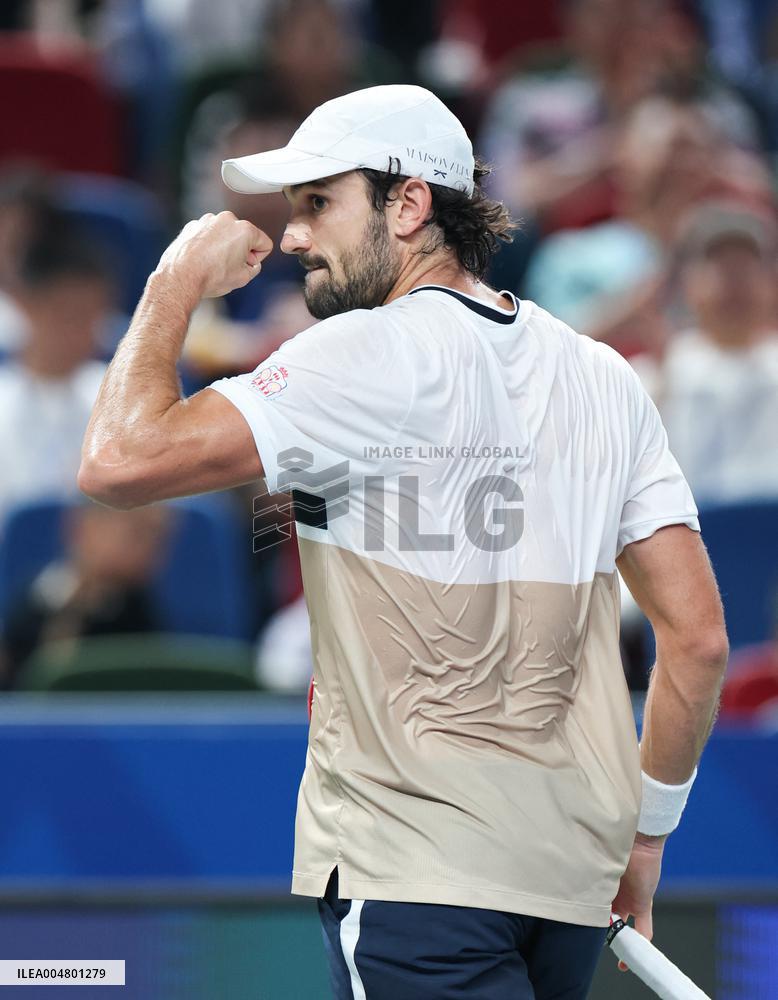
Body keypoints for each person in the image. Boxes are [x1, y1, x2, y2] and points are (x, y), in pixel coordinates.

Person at [79, 85, 729, 999]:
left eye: (318, 203)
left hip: (416, 878)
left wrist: (173, 279)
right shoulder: (603, 377)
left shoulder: (356, 353)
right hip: (570, 885)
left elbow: (115, 461)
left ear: (410, 204)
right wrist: (648, 838)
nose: (294, 236)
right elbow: (697, 643)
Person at [633, 199, 778, 504]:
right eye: (721, 267)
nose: (735, 282)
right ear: (688, 284)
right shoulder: (650, 375)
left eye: (746, 267)